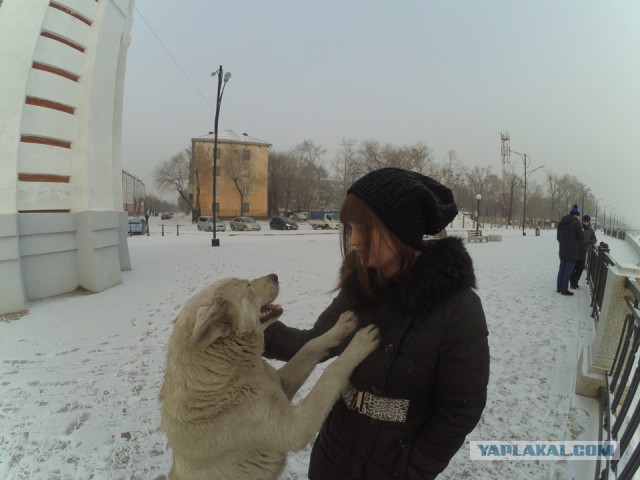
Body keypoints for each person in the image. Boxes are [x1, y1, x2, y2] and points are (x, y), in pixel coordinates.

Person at [264, 168, 490, 479]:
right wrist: (250, 333)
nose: (354, 240)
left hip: (392, 468)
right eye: (351, 228)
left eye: (364, 228)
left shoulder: (457, 307)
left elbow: (460, 410)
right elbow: (318, 340)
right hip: (332, 456)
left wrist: (411, 469)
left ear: (399, 229)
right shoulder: (361, 289)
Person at [556, 204, 584, 296]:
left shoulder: (562, 222)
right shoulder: (576, 223)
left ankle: (559, 287)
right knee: (568, 271)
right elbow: (581, 236)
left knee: (562, 269)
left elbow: (558, 237)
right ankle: (564, 289)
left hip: (563, 250)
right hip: (572, 251)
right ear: (576, 215)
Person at [570, 214, 597, 289]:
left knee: (580, 269)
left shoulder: (591, 231)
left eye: (587, 222)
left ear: (589, 222)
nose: (585, 223)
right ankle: (573, 283)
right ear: (582, 221)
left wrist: (589, 242)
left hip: (583, 252)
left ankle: (575, 282)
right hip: (575, 251)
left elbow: (594, 239)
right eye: (584, 221)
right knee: (573, 268)